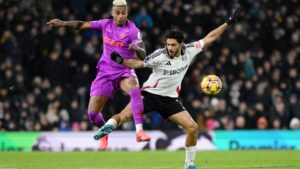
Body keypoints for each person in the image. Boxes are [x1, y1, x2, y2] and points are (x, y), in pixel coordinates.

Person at [94, 7, 240, 169]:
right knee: (123, 116)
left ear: (180, 45)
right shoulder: (160, 55)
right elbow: (138, 63)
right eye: (168, 44)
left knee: (192, 128)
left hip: (169, 100)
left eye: (172, 45)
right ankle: (107, 128)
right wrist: (122, 62)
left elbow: (210, 37)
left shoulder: (190, 51)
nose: (169, 48)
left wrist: (228, 23)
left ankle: (189, 165)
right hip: (149, 95)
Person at [46, 0, 151, 150]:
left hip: (124, 70)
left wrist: (137, 49)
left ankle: (139, 131)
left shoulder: (133, 30)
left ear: (127, 13)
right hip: (105, 72)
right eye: (118, 13)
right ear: (113, 13)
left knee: (135, 91)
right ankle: (104, 133)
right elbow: (82, 25)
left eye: (124, 13)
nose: (121, 16)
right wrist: (63, 23)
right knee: (92, 114)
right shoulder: (105, 24)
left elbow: (143, 54)